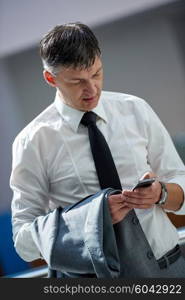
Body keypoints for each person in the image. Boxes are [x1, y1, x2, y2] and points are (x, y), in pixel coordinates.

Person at [10, 22, 185, 277]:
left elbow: (180, 182)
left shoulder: (136, 110)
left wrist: (160, 193)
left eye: (96, 74)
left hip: (168, 267)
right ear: (51, 78)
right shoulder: (33, 142)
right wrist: (92, 222)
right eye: (77, 81)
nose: (92, 89)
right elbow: (24, 241)